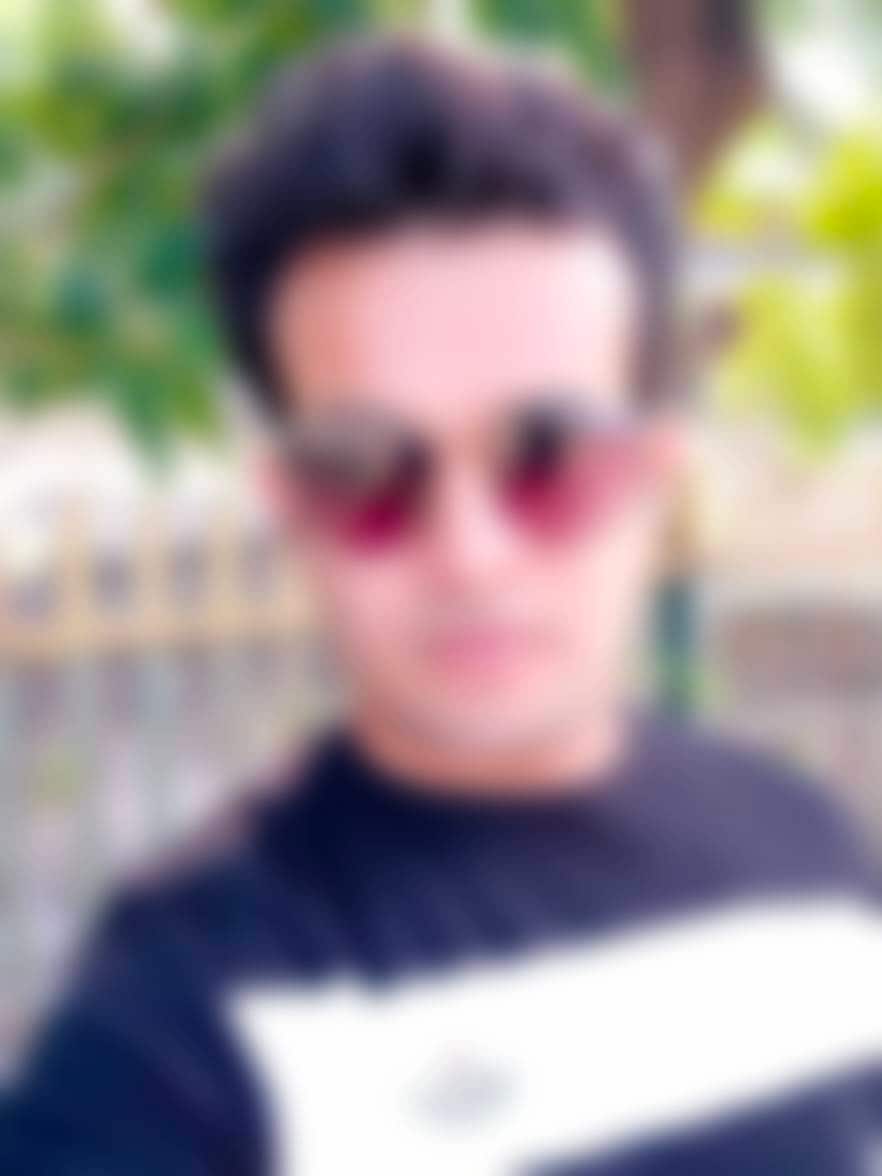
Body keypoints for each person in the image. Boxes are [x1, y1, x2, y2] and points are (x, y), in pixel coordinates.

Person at [2, 28, 882, 1176]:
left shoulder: (803, 843)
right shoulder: (179, 1028)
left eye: (549, 454)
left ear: (651, 475)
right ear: (290, 501)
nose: (469, 553)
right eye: (365, 468)